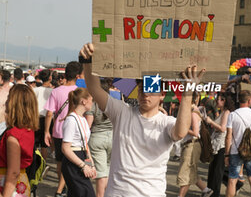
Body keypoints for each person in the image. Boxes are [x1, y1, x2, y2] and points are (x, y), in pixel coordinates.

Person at [79, 43, 205, 196]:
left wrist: (187, 92)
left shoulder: (166, 122)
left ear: (162, 95)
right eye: (141, 89)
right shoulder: (121, 112)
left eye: (151, 90)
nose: (145, 94)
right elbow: (95, 89)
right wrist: (86, 61)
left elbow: (180, 132)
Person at [44, 61, 83, 197]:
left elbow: (49, 113)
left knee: (60, 162)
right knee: (70, 162)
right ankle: (61, 190)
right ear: (78, 76)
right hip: (74, 132)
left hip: (58, 131)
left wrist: (46, 132)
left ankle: (62, 188)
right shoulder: (80, 92)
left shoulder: (56, 91)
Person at [0, 84, 39, 196]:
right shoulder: (27, 130)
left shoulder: (13, 135)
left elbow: (13, 172)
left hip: (8, 184)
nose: (5, 102)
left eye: (8, 98)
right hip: (20, 183)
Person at [225, 90, 251, 197]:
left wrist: (227, 154)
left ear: (239, 100)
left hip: (235, 151)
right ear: (250, 100)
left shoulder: (233, 115)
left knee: (232, 180)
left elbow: (228, 136)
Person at [177, 91, 213, 197]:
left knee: (186, 171)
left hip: (192, 144)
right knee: (191, 170)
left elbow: (196, 133)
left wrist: (183, 127)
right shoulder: (191, 110)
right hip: (190, 144)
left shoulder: (193, 112)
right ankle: (206, 190)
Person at [61, 88, 96, 197]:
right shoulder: (71, 120)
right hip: (73, 159)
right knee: (85, 193)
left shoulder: (83, 119)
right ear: (84, 101)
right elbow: (65, 148)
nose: (92, 103)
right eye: (91, 100)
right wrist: (83, 166)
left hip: (81, 156)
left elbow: (85, 145)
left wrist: (91, 165)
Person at [85, 79, 113, 197]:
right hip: (113, 138)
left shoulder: (93, 105)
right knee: (109, 170)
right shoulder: (114, 103)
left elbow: (88, 126)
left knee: (101, 174)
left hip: (97, 139)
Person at [205, 92, 234, 197]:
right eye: (218, 99)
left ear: (225, 101)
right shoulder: (222, 112)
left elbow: (222, 128)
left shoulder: (226, 112)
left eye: (221, 99)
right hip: (217, 143)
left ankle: (214, 192)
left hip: (221, 145)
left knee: (217, 171)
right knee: (213, 169)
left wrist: (211, 122)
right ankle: (210, 191)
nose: (218, 101)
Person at [33, 69, 53, 161]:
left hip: (36, 118)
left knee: (35, 144)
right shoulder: (53, 91)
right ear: (50, 78)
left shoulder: (35, 90)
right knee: (44, 145)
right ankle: (43, 164)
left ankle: (35, 164)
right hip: (49, 120)